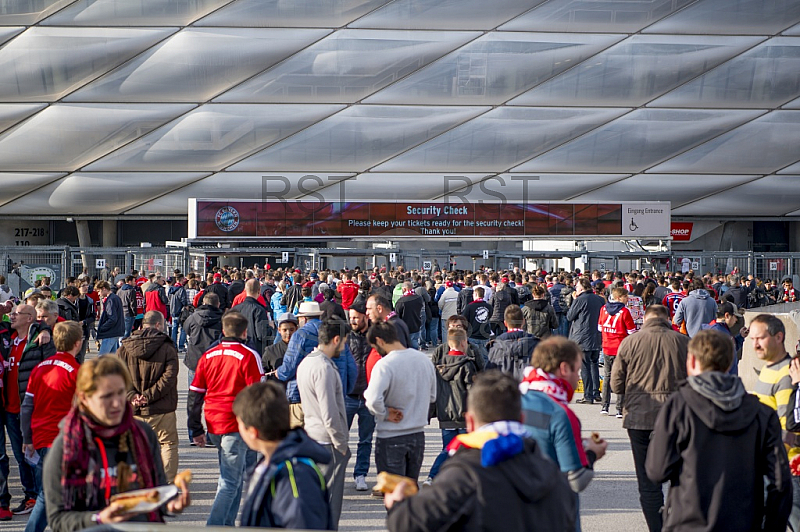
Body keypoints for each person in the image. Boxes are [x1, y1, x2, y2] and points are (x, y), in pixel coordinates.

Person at [385, 371, 576, 531]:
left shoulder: (463, 475)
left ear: (469, 422)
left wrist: (398, 506)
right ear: (522, 418)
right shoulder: (555, 476)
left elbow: (412, 523)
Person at [646, 329, 792, 532]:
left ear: (693, 362)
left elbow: (656, 470)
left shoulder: (678, 407)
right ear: (730, 361)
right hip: (745, 522)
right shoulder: (762, 413)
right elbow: (780, 482)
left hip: (688, 521)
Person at [42, 356, 190, 532]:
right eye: (107, 396)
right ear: (84, 398)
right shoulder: (66, 446)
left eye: (121, 393)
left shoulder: (142, 434)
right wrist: (98, 518)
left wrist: (171, 505)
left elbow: (157, 493)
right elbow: (57, 518)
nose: (117, 403)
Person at [610, 305, 689, 532]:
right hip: (676, 417)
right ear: (667, 318)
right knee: (680, 477)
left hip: (639, 417)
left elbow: (616, 383)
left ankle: (657, 528)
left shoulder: (630, 342)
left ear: (645, 319)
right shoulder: (682, 342)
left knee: (648, 484)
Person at [520, 337, 607, 531]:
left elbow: (541, 434)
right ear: (564, 369)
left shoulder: (515, 399)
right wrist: (592, 453)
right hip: (554, 509)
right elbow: (577, 480)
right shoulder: (560, 414)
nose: (578, 378)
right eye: (577, 370)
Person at [188, 311, 263, 526]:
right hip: (236, 424)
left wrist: (196, 428)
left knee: (234, 477)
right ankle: (215, 525)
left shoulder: (208, 356)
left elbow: (195, 394)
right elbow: (257, 394)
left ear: (223, 330)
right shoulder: (249, 355)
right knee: (230, 481)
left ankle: (227, 524)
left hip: (214, 422)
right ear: (244, 331)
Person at [236, 381, 333, 529]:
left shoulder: (294, 477)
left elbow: (302, 522)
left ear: (253, 432)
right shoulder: (267, 464)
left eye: (239, 424)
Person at [20, 321, 82, 532]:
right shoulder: (77, 371)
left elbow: (27, 406)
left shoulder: (39, 368)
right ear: (78, 343)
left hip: (41, 437)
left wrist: (27, 438)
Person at [364, 321, 436, 487]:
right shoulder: (423, 360)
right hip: (417, 434)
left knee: (393, 494)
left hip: (391, 435)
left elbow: (373, 399)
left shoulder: (384, 365)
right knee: (410, 489)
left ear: (380, 341)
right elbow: (432, 397)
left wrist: (385, 413)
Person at [296, 318, 351, 529]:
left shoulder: (307, 362)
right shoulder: (324, 368)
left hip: (312, 435)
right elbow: (330, 412)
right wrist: (341, 444)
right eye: (343, 342)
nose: (344, 347)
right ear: (336, 339)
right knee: (330, 503)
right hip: (328, 442)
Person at [115, 311, 180, 483]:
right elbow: (169, 377)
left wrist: (132, 396)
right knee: (168, 444)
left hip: (134, 408)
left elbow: (117, 377)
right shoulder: (168, 347)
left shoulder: (123, 349)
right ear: (158, 325)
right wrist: (147, 396)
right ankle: (166, 482)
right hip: (162, 406)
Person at [3, 303, 55, 517]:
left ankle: (41, 498)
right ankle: (30, 496)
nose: (12, 316)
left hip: (30, 409)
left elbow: (50, 371)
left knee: (34, 455)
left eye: (17, 314)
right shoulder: (7, 338)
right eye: (12, 313)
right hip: (9, 409)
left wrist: (44, 329)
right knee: (19, 455)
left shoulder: (39, 341)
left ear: (29, 318)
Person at [751, 313, 800, 530]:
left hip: (785, 470)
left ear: (779, 337)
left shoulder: (787, 374)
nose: (755, 344)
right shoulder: (769, 368)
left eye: (760, 338)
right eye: (752, 339)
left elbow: (789, 429)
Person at [424, 328, 477, 485]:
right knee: (466, 449)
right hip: (463, 414)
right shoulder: (467, 365)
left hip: (446, 413)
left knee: (448, 448)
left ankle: (433, 476)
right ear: (463, 343)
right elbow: (471, 391)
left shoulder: (440, 366)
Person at [182, 292, 223, 443]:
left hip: (195, 361)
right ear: (217, 304)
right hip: (215, 363)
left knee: (194, 399)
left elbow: (186, 330)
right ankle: (212, 436)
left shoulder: (193, 317)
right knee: (215, 400)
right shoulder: (221, 319)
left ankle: (194, 434)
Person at [344, 301, 375, 492]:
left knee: (366, 439)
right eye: (351, 317)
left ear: (365, 316)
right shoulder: (345, 336)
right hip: (348, 394)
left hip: (368, 396)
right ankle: (339, 472)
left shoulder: (375, 336)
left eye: (356, 317)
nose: (353, 320)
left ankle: (361, 474)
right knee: (340, 437)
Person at [598, 287, 636, 417]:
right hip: (620, 348)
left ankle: (605, 406)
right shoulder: (624, 311)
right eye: (626, 297)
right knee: (621, 377)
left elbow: (599, 327)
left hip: (607, 346)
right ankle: (619, 408)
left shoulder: (603, 309)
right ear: (619, 297)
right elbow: (631, 331)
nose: (628, 299)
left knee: (607, 376)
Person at [568, 278, 605, 405]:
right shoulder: (599, 299)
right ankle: (596, 392)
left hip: (582, 336)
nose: (575, 289)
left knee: (585, 366)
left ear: (582, 288)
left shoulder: (580, 300)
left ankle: (588, 395)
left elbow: (570, 316)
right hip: (596, 335)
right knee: (594, 363)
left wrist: (574, 300)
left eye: (577, 286)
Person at [486, 305, 539, 380]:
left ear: (505, 323)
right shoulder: (536, 345)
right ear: (523, 321)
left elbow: (489, 376)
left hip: (504, 388)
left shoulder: (496, 347)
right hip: (528, 388)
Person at [233, 279, 271, 355]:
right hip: (254, 350)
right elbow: (262, 334)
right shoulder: (260, 310)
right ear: (259, 291)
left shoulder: (235, 309)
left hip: (237, 350)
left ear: (245, 290)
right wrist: (270, 328)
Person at [94, 281, 125, 355]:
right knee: (112, 357)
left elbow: (112, 318)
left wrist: (102, 327)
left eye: (99, 291)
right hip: (115, 331)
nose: (98, 294)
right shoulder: (115, 298)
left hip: (110, 332)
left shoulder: (110, 300)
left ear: (104, 289)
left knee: (102, 358)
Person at [461, 286, 493, 352]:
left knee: (473, 356)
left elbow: (464, 320)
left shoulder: (470, 306)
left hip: (473, 334)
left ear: (475, 294)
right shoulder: (488, 306)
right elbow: (490, 317)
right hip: (485, 334)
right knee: (485, 357)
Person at [394, 281, 424, 350]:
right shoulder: (418, 298)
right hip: (416, 324)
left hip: (405, 326)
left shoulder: (401, 301)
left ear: (404, 289)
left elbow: (397, 314)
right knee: (415, 344)